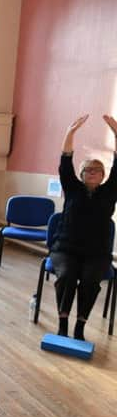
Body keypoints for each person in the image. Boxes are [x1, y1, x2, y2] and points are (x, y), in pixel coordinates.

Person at [51, 114, 117, 340]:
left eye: (97, 170)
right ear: (81, 174)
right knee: (67, 276)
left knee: (90, 280)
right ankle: (62, 323)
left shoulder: (109, 192)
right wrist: (70, 133)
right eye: (88, 170)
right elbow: (65, 161)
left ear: (103, 175)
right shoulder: (72, 188)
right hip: (66, 249)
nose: (93, 173)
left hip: (96, 253)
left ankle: (80, 326)